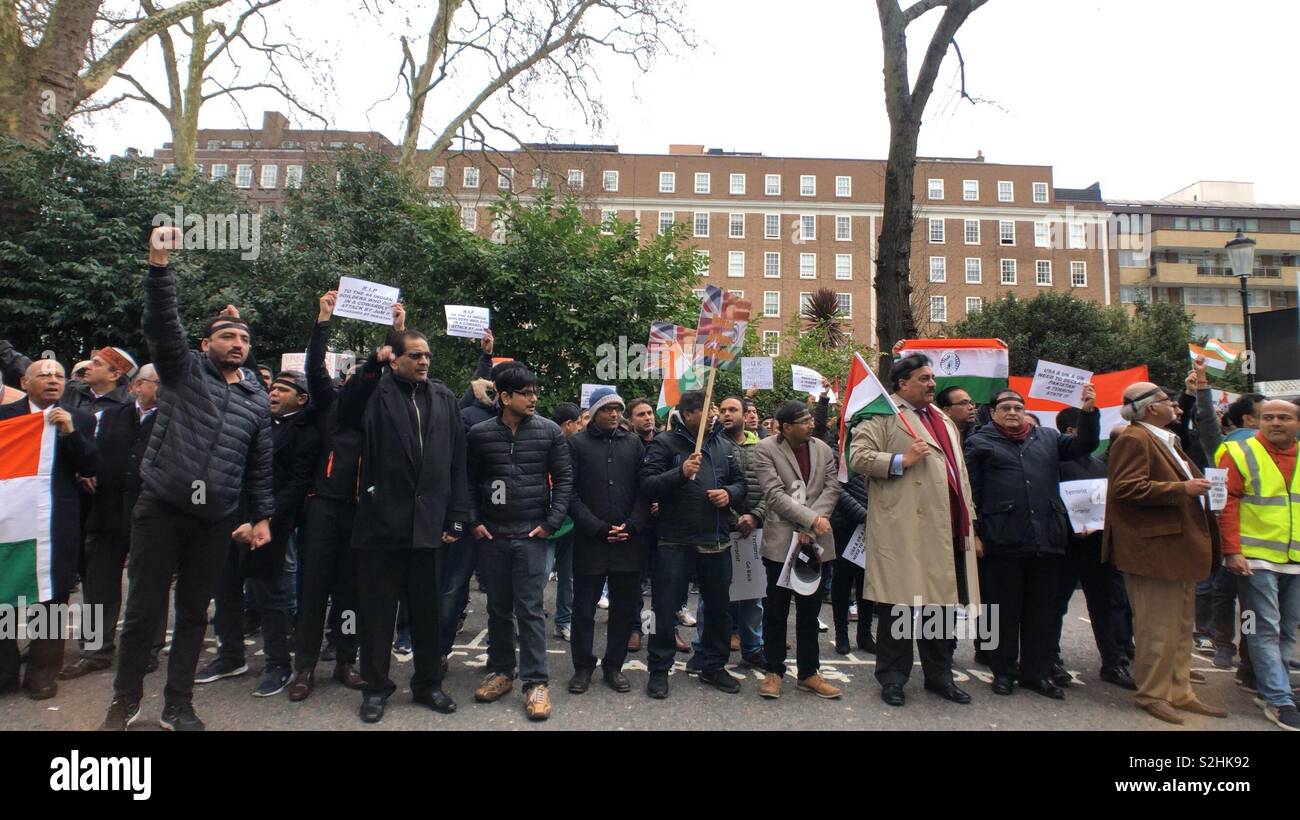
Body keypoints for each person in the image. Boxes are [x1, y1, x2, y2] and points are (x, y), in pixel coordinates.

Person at [100, 226, 273, 732]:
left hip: (214, 517)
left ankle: (178, 705)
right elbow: (161, 323)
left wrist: (261, 515)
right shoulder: (183, 370)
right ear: (205, 344)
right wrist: (159, 264)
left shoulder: (256, 400)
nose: (237, 343)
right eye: (227, 336)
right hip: (162, 506)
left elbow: (259, 463)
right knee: (143, 612)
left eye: (243, 338)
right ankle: (125, 700)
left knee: (195, 614)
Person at [337, 327, 471, 723]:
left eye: (426, 355)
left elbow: (457, 463)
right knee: (378, 614)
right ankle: (376, 688)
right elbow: (346, 412)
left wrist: (456, 518)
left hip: (429, 526)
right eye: (414, 355)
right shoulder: (374, 393)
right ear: (393, 359)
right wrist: (370, 365)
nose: (424, 361)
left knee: (428, 612)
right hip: (381, 525)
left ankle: (428, 684)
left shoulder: (444, 397)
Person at [847, 354, 981, 708]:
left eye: (932, 378)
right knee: (900, 607)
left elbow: (959, 475)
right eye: (924, 378)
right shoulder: (882, 413)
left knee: (940, 608)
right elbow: (856, 457)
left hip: (946, 527)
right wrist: (899, 461)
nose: (932, 384)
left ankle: (939, 676)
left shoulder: (942, 418)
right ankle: (892, 679)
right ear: (903, 383)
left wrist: (971, 522)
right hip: (905, 528)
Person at [1102, 382, 1227, 725]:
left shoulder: (1166, 438)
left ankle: (1180, 691)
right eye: (1164, 399)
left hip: (1178, 548)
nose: (1172, 404)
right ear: (1148, 407)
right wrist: (1183, 489)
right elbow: (1127, 488)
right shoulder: (1134, 438)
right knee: (1157, 629)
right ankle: (1153, 694)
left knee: (1181, 626)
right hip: (1154, 550)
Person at [964, 387, 1099, 699]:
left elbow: (1085, 444)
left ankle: (1035, 673)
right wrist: (975, 533)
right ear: (994, 412)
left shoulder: (1048, 438)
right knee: (1003, 611)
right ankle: (1003, 672)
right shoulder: (980, 441)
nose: (1013, 412)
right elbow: (972, 491)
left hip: (1047, 539)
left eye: (1018, 407)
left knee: (1042, 611)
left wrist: (1089, 413)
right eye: (1006, 407)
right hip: (1003, 538)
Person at [203, 370, 319, 697]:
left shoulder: (306, 433)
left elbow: (296, 484)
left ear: (302, 398)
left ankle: (278, 664)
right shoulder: (255, 422)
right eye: (273, 388)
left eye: (283, 389)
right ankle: (230, 656)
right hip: (229, 516)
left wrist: (262, 518)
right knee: (225, 589)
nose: (274, 393)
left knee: (269, 594)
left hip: (270, 525)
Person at [468, 365, 573, 721]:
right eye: (526, 393)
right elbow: (468, 481)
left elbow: (564, 479)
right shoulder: (480, 434)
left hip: (531, 534)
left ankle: (535, 682)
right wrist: (474, 521)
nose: (534, 398)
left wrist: (551, 523)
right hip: (492, 535)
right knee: (497, 608)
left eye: (535, 392)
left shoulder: (548, 433)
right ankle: (500, 671)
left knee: (529, 609)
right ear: (504, 396)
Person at [286, 290, 369, 702]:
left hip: (360, 514)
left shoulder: (376, 415)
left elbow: (394, 367)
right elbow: (314, 368)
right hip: (323, 508)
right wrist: (322, 321)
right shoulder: (328, 405)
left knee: (351, 593)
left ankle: (345, 660)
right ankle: (303, 667)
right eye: (350, 376)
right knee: (314, 589)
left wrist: (399, 332)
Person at [640, 389, 747, 699]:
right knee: (664, 608)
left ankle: (713, 666)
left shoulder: (722, 444)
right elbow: (647, 485)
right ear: (688, 415)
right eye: (707, 409)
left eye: (714, 407)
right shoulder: (665, 444)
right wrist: (680, 472)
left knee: (718, 609)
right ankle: (659, 670)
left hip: (715, 541)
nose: (714, 413)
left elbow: (740, 482)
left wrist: (729, 494)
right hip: (675, 541)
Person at [0, 360, 97, 699]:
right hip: (9, 518)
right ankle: (5, 670)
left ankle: (42, 673)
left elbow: (90, 465)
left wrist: (70, 433)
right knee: (6, 594)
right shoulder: (5, 417)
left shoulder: (79, 418)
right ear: (25, 382)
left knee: (53, 596)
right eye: (44, 375)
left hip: (56, 519)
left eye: (58, 375)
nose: (53, 381)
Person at [60, 365, 160, 680]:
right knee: (98, 585)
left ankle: (147, 650)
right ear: (137, 386)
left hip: (151, 515)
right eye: (158, 383)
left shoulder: (174, 419)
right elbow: (87, 453)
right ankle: (95, 650)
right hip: (105, 511)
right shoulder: (107, 417)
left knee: (148, 585)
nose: (165, 389)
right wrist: (84, 472)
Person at [1218, 399, 1300, 731]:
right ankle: (1279, 700)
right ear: (1258, 421)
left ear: (1297, 422)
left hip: (1294, 557)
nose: (1275, 422)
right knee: (1262, 629)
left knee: (1286, 629)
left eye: (1284, 417)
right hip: (1255, 559)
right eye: (1268, 417)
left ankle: (1272, 688)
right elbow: (1224, 503)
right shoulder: (1238, 452)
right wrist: (1232, 551)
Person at [752, 401, 842, 699]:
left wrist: (813, 524)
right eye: (804, 421)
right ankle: (773, 672)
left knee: (809, 612)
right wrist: (810, 520)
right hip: (781, 544)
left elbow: (831, 488)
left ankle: (808, 673)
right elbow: (774, 495)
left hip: (816, 541)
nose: (811, 424)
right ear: (786, 427)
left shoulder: (823, 449)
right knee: (776, 612)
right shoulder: (766, 449)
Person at [565, 387, 647, 694]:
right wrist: (597, 527)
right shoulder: (577, 445)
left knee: (623, 609)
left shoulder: (634, 443)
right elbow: (569, 493)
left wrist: (634, 524)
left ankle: (614, 666)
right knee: (584, 608)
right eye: (607, 409)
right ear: (594, 412)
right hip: (591, 542)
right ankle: (583, 667)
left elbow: (644, 489)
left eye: (617, 408)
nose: (614, 414)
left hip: (627, 542)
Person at [1049, 407, 1136, 691]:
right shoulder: (1054, 462)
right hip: (1067, 545)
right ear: (1071, 432)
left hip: (1098, 546)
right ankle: (1052, 660)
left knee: (1106, 605)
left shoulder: (1099, 465)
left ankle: (1113, 661)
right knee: (1055, 605)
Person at [624, 397, 658, 652]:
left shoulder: (666, 441)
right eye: (640, 414)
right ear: (631, 420)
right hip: (636, 523)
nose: (647, 417)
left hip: (663, 524)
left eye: (649, 413)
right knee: (633, 581)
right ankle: (634, 628)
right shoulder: (626, 444)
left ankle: (660, 630)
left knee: (664, 582)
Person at [546, 403, 580, 641]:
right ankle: (527, 622)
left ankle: (564, 621)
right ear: (569, 424)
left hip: (570, 523)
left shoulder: (578, 448)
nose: (580, 427)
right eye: (578, 422)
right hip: (546, 525)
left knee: (567, 576)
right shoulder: (544, 444)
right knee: (539, 576)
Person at [830, 471, 872, 655]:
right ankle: (842, 634)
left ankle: (865, 634)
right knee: (842, 582)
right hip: (844, 524)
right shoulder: (837, 450)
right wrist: (865, 515)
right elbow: (836, 489)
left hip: (872, 524)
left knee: (867, 582)